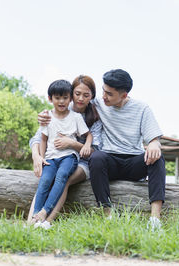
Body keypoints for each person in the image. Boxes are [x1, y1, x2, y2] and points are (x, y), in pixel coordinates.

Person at [89, 69, 165, 229]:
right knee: (96, 158)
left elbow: (154, 139)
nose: (104, 96)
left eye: (109, 94)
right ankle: (108, 215)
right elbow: (72, 103)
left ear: (123, 95)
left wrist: (153, 143)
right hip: (110, 161)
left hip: (133, 163)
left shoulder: (142, 108)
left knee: (158, 158)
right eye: (103, 90)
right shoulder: (98, 103)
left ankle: (155, 220)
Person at [29, 76, 101, 229]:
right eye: (77, 94)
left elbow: (94, 150)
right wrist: (38, 156)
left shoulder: (92, 117)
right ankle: (32, 222)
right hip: (53, 157)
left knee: (63, 178)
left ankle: (47, 220)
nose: (80, 98)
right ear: (71, 94)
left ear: (92, 97)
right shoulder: (51, 114)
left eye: (86, 95)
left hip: (80, 160)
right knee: (45, 179)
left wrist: (72, 143)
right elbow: (39, 138)